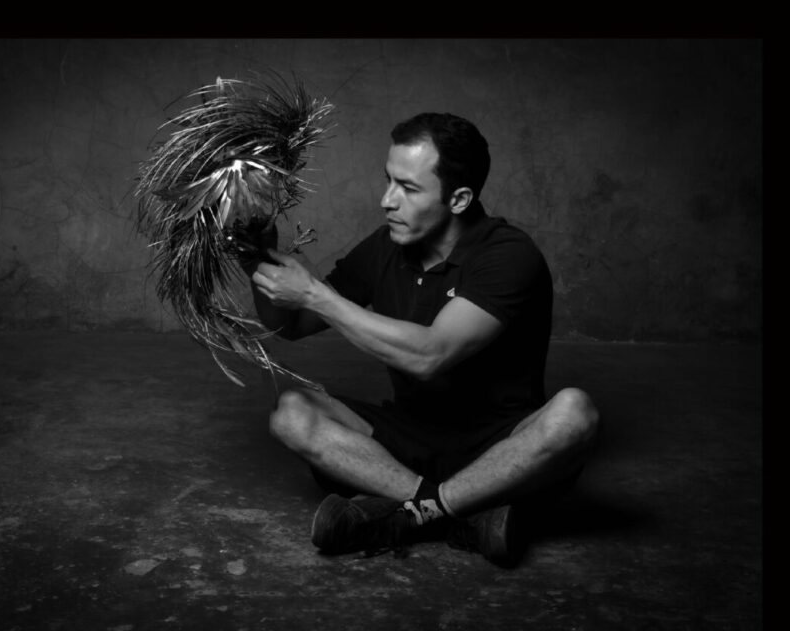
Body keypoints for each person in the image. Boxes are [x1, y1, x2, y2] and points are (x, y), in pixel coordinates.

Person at [247, 112, 599, 565]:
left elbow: (430, 355)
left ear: (459, 199)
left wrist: (316, 294)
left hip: (499, 445)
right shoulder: (386, 245)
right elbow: (292, 326)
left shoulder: (510, 255)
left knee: (574, 414)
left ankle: (399, 511)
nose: (387, 201)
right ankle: (457, 511)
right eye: (389, 181)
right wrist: (253, 254)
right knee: (292, 412)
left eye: (409, 189)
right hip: (405, 440)